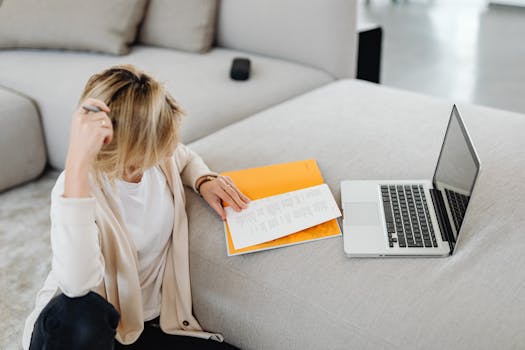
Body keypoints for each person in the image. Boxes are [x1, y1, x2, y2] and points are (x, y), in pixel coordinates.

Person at [23, 64, 250, 350]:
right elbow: (77, 286)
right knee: (83, 315)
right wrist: (77, 161)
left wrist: (204, 180)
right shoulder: (75, 189)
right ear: (134, 150)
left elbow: (184, 157)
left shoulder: (160, 161)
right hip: (75, 334)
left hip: (137, 328)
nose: (172, 144)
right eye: (163, 139)